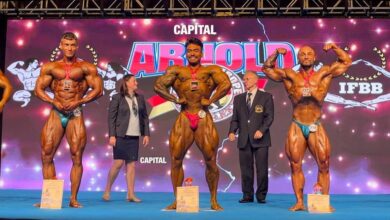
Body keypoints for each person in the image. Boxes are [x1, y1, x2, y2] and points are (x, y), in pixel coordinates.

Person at [262, 43, 352, 211]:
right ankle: (299, 202)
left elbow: (346, 62)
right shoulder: (289, 75)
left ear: (314, 57)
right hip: (297, 124)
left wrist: (333, 47)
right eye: (302, 54)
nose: (306, 56)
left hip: (315, 124)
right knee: (295, 165)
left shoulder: (324, 73)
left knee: (324, 164)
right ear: (298, 57)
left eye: (309, 53)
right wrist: (275, 53)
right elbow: (267, 69)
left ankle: (324, 201)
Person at [154, 37, 231, 211]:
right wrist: (174, 98)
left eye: (196, 51)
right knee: (175, 160)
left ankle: (213, 200)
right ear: (186, 53)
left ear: (201, 53)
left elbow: (226, 84)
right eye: (189, 51)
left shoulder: (211, 70)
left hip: (203, 117)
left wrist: (211, 99)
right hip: (184, 116)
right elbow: (158, 86)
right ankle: (177, 200)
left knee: (211, 160)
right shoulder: (176, 71)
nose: (192, 54)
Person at [34, 32, 103, 208]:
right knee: (46, 154)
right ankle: (50, 197)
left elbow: (98, 89)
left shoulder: (86, 67)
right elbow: (38, 89)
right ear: (61, 46)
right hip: (56, 112)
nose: (69, 48)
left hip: (76, 113)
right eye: (66, 45)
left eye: (72, 45)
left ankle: (73, 199)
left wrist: (80, 101)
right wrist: (52, 101)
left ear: (77, 46)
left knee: (77, 156)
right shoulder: (51, 67)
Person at [228, 70, 274, 204]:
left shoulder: (266, 97)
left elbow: (269, 117)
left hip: (261, 139)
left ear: (255, 80)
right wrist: (232, 131)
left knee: (262, 169)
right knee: (245, 170)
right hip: (244, 139)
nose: (245, 81)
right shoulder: (239, 98)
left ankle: (261, 196)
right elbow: (235, 118)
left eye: (247, 79)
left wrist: (262, 130)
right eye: (244, 79)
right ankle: (247, 195)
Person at [103, 74, 150, 202]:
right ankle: (107, 190)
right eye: (134, 81)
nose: (137, 83)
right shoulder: (117, 98)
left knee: (131, 165)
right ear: (127, 83)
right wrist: (112, 135)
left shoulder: (140, 98)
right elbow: (111, 118)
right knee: (118, 163)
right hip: (120, 136)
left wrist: (146, 134)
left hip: (134, 136)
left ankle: (130, 194)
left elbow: (145, 117)